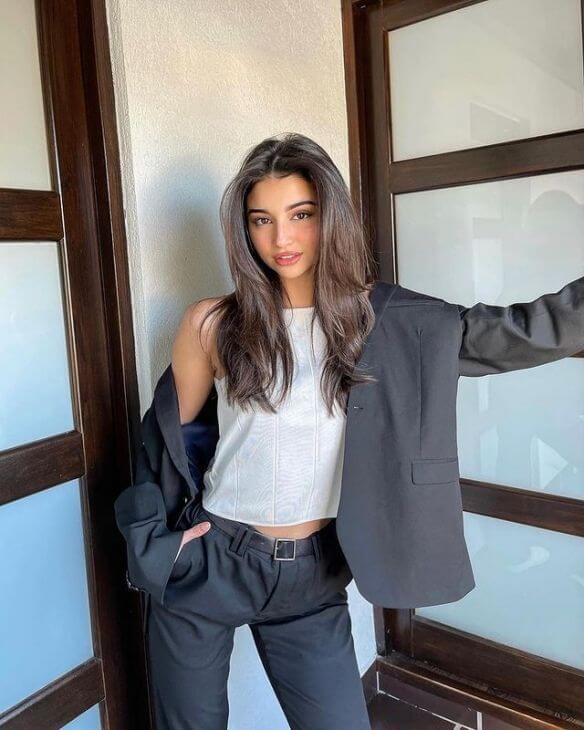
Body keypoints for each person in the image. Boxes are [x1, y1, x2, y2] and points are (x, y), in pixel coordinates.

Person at [114, 132, 584, 729]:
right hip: (212, 561)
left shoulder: (385, 321)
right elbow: (163, 446)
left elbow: (521, 331)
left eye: (301, 215)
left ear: (330, 215)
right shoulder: (212, 324)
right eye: (262, 220)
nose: (281, 239)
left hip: (311, 576)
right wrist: (159, 546)